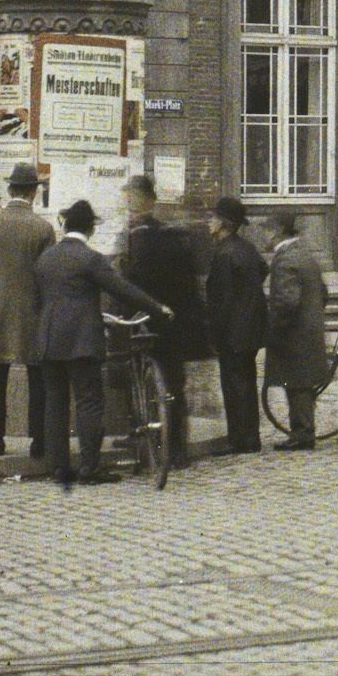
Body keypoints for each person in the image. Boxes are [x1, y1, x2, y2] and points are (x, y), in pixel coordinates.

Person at [32, 198, 171, 488]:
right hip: (82, 342)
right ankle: (89, 467)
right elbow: (122, 289)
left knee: (55, 404)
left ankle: (60, 468)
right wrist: (157, 307)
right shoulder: (90, 258)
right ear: (90, 229)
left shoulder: (45, 258)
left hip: (48, 340)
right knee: (89, 403)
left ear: (65, 226)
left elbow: (37, 300)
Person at [0, 160, 54, 458]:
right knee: (37, 376)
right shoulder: (43, 229)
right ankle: (39, 441)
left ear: (11, 190)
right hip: (33, 314)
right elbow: (47, 276)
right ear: (33, 192)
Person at [122, 174, 209, 468]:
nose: (130, 206)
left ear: (145, 201)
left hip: (149, 321)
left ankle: (151, 445)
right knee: (171, 387)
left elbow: (132, 282)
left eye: (132, 199)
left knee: (150, 383)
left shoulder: (139, 238)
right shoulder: (170, 237)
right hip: (171, 322)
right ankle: (175, 450)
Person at [263, 208, 331, 451]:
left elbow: (286, 302)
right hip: (308, 330)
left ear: (279, 230)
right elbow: (323, 293)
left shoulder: (285, 259)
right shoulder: (304, 253)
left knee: (296, 385)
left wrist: (274, 329)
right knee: (301, 384)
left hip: (293, 333)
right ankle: (302, 432)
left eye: (268, 230)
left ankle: (302, 434)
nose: (265, 236)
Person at [205, 196, 268, 454]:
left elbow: (221, 301)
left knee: (234, 386)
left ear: (223, 223)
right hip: (250, 327)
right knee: (246, 384)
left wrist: (215, 335)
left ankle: (239, 440)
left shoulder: (225, 253)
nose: (209, 222)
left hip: (233, 331)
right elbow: (263, 269)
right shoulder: (245, 247)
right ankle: (250, 438)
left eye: (213, 218)